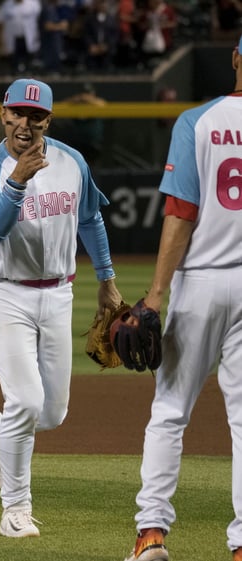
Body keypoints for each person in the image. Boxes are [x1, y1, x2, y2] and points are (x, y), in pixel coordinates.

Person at [0, 78, 123, 537]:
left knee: (50, 414)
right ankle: (14, 508)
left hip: (58, 292)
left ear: (47, 121)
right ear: (4, 115)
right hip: (4, 292)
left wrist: (107, 280)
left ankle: (0, 431)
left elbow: (90, 218)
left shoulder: (71, 161)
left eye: (37, 117)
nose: (26, 124)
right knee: (26, 400)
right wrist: (17, 180)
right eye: (18, 114)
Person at [121, 35, 242, 561]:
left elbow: (181, 212)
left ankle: (151, 534)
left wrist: (154, 296)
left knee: (170, 410)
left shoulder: (199, 120)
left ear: (236, 58)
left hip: (203, 283)